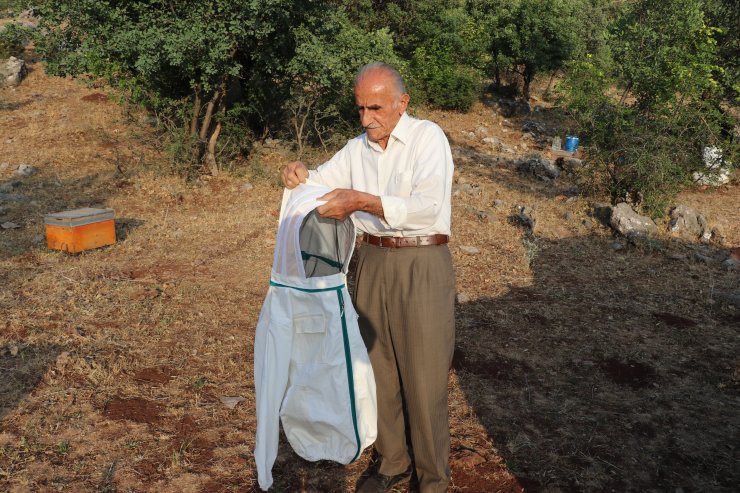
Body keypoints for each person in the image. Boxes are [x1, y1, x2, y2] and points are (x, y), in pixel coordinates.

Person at [281, 62, 455, 493]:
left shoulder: (427, 138)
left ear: (402, 103)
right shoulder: (356, 148)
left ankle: (433, 479)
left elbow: (427, 207)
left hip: (422, 262)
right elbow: (319, 185)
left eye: (375, 108)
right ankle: (393, 461)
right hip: (372, 261)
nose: (366, 119)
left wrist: (363, 201)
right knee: (377, 369)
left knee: (425, 378)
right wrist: (299, 175)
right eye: (360, 108)